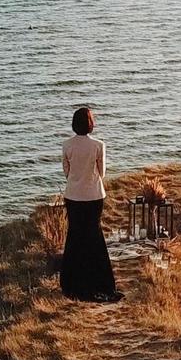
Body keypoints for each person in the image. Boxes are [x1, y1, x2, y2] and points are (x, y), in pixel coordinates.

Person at [59, 106, 121, 302]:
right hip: (94, 195)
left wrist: (77, 180)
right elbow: (101, 173)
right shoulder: (98, 145)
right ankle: (101, 283)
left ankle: (71, 283)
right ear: (90, 123)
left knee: (75, 237)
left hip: (73, 195)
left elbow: (66, 171)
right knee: (94, 237)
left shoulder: (67, 145)